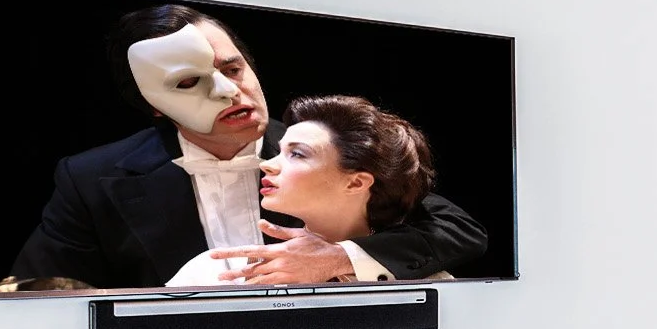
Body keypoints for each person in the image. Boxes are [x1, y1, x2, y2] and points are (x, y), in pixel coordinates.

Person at [9, 3, 486, 289]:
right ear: (152, 104)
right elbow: (38, 293)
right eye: (190, 82)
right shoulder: (92, 178)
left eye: (233, 69)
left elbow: (458, 229)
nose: (228, 92)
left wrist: (339, 258)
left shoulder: (321, 146)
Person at [169, 97, 448, 286]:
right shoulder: (219, 272)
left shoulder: (431, 284)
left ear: (355, 183)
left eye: (298, 154)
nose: (267, 165)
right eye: (280, 151)